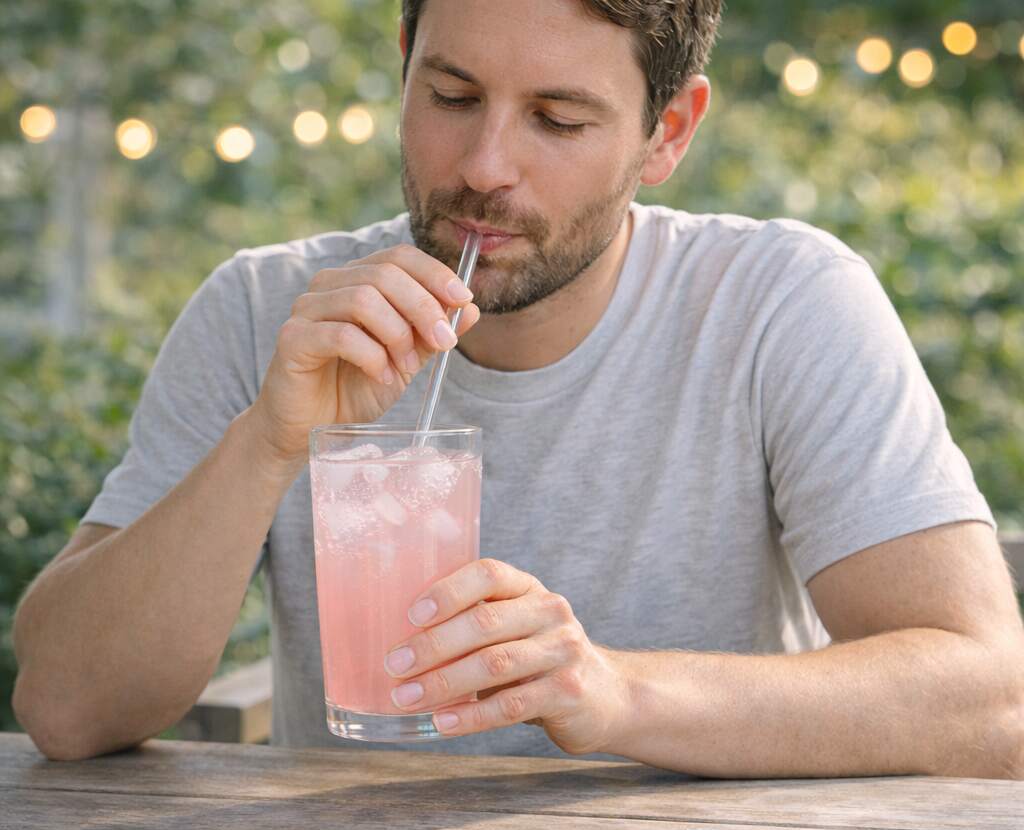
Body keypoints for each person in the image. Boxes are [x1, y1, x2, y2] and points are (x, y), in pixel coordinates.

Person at [12, 0, 1023, 777]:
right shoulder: (266, 309)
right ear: (402, 65)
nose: (485, 166)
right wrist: (267, 440)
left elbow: (990, 704)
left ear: (667, 131)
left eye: (557, 119)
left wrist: (615, 691)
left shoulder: (775, 308)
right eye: (451, 96)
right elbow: (65, 707)